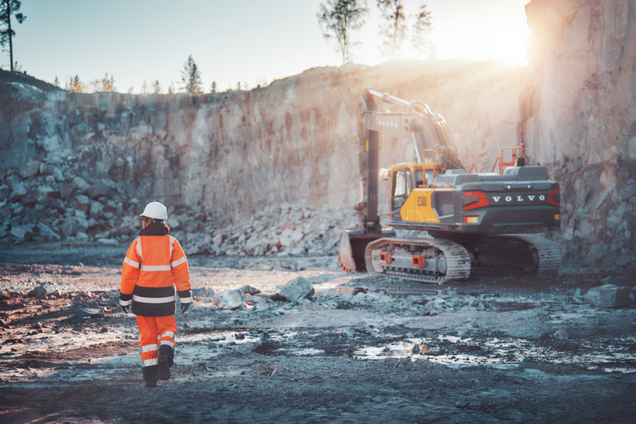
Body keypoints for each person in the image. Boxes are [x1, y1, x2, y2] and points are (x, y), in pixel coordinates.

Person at [119, 201, 192, 387]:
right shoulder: (172, 243)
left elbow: (129, 274)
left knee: (148, 337)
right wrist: (185, 295)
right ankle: (165, 355)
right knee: (167, 330)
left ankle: (150, 378)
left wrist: (125, 298)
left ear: (149, 221)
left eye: (144, 219)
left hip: (142, 301)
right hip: (165, 299)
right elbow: (181, 271)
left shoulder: (137, 244)